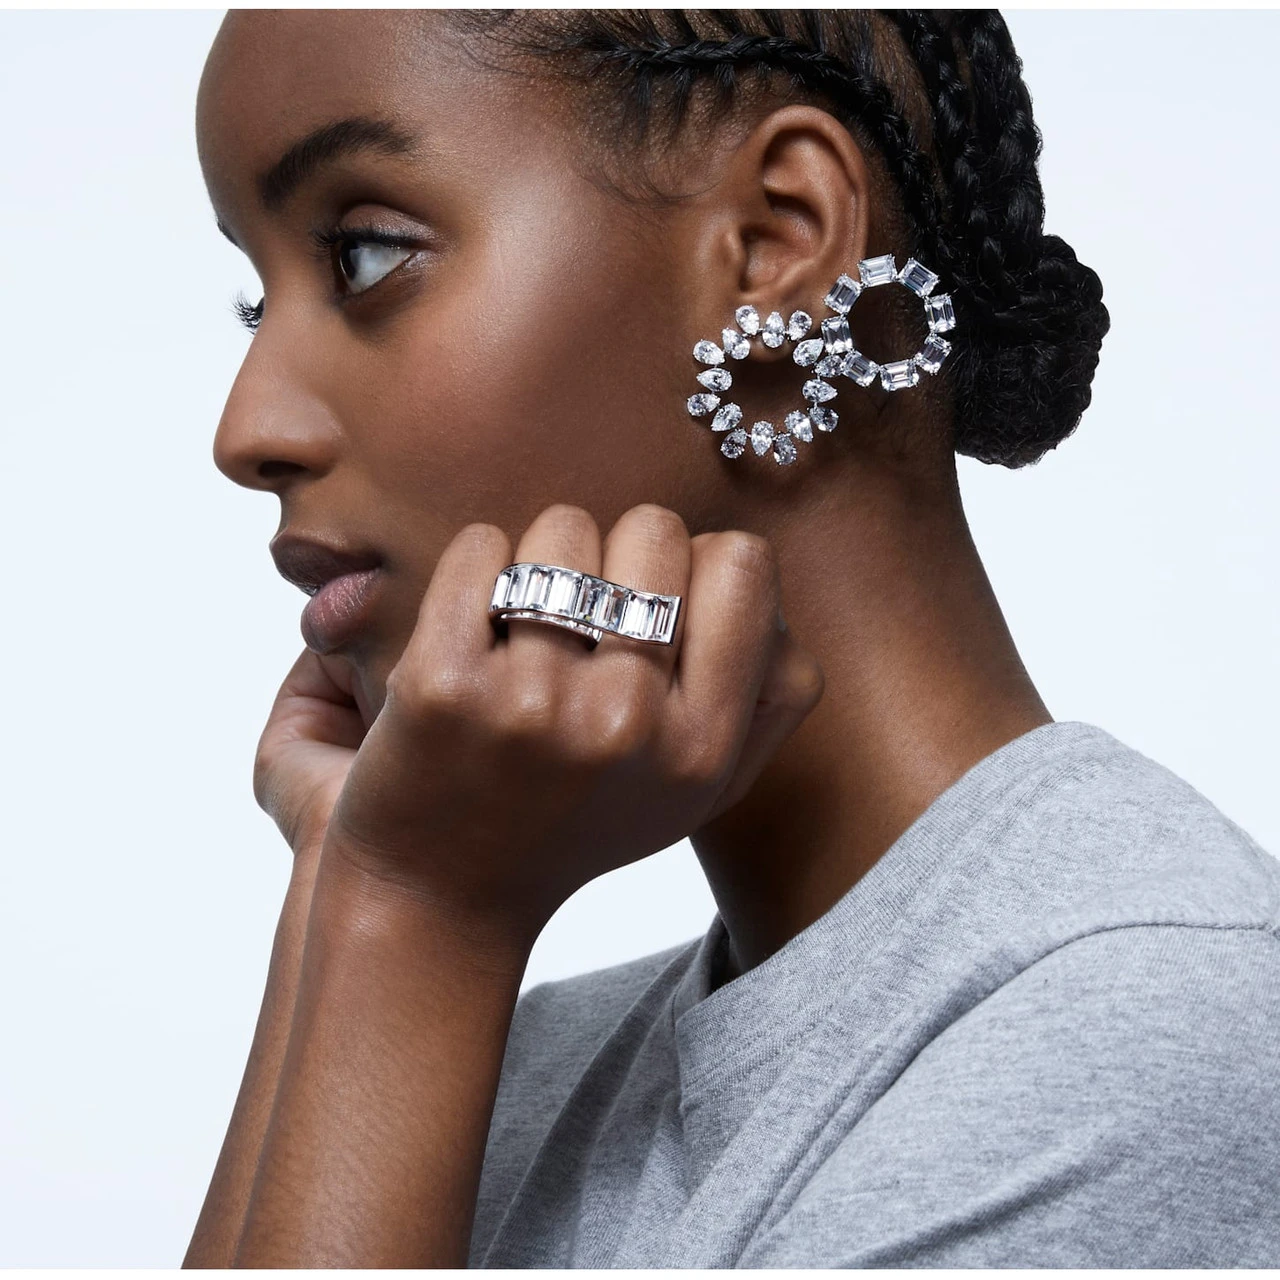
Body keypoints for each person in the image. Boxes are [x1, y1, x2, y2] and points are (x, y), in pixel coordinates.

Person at [183, 9, 1280, 1269]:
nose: (246, 430)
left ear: (776, 242)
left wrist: (411, 914)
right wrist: (354, 891)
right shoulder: (502, 1060)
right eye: (255, 301)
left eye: (365, 255)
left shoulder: (1132, 1031)